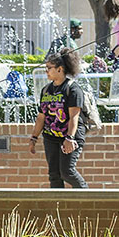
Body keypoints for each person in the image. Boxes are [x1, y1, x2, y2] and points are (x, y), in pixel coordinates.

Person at [29, 48, 88, 188]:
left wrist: (70, 138)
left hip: (69, 136)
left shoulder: (73, 89)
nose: (46, 71)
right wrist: (34, 138)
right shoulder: (46, 90)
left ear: (60, 69)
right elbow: (41, 117)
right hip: (50, 138)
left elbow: (74, 116)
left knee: (67, 172)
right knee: (54, 175)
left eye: (49, 68)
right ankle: (58, 207)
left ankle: (86, 196)